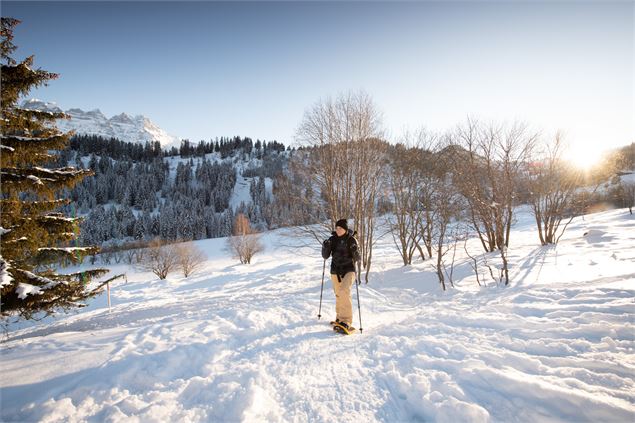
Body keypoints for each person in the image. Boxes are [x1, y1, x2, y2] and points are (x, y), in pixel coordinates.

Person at [321, 218, 361, 332]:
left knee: (344, 291)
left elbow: (358, 258)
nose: (338, 230)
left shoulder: (351, 240)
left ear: (345, 229)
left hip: (349, 270)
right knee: (339, 294)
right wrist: (325, 247)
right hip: (335, 271)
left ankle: (346, 321)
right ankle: (339, 318)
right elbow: (325, 256)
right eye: (336, 228)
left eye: (340, 228)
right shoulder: (332, 239)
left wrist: (355, 251)